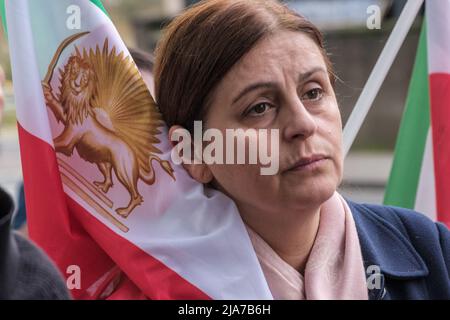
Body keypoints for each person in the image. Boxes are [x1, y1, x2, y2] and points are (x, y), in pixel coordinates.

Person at [153, 0, 450, 299]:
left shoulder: (433, 251)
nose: (303, 124)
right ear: (192, 152)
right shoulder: (154, 287)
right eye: (259, 108)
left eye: (313, 92)